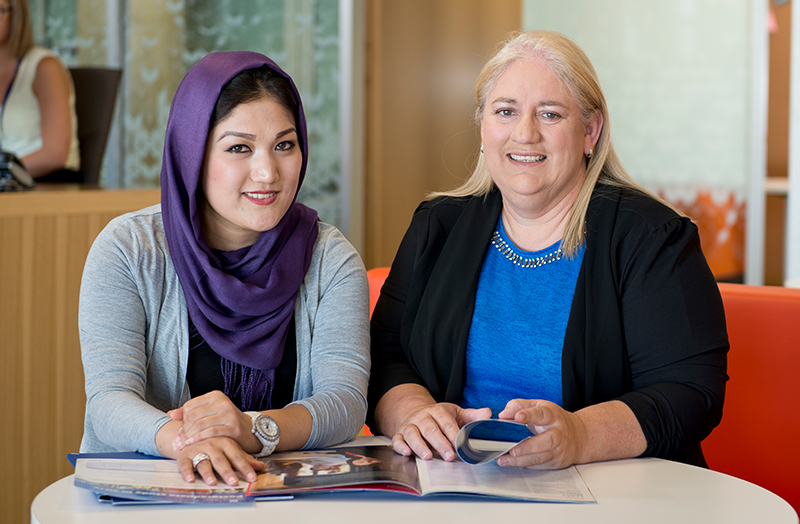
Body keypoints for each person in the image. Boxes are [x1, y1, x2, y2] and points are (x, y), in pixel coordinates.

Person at [367, 30, 729, 470]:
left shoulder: (653, 237)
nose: (525, 133)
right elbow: (385, 355)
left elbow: (691, 391)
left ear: (589, 131)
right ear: (483, 126)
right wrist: (413, 415)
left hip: (616, 494)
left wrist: (580, 436)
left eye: (550, 114)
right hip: (455, 482)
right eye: (505, 111)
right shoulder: (437, 226)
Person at [79, 51, 370, 487]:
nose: (267, 172)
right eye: (239, 148)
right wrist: (187, 441)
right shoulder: (129, 249)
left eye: (284, 145)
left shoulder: (330, 258)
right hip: (151, 496)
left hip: (286, 504)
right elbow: (109, 401)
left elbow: (345, 404)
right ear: (191, 153)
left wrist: (253, 430)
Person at [0, 0, 80, 181]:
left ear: (17, 16)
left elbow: (54, 155)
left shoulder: (45, 67)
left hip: (48, 185)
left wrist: (5, 172)